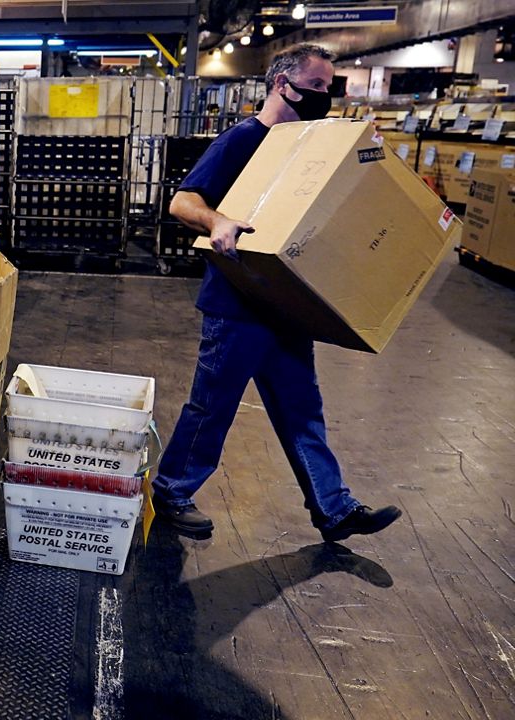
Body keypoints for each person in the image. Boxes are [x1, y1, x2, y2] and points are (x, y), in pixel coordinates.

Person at [154, 43, 402, 543]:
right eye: (314, 87)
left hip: (289, 305)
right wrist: (218, 219)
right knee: (213, 405)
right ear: (280, 83)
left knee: (300, 407)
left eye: (328, 89)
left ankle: (333, 509)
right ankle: (172, 491)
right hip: (238, 304)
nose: (322, 97)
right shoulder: (243, 139)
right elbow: (183, 202)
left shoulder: (311, 146)